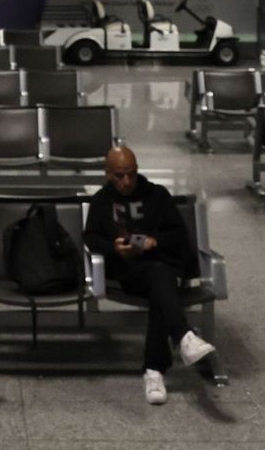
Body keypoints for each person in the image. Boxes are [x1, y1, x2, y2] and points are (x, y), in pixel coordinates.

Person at [82, 146, 216, 405]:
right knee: (161, 280)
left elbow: (178, 235)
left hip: (161, 266)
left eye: (131, 174)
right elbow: (91, 238)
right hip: (129, 272)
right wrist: (115, 249)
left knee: (160, 282)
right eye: (120, 175)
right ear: (108, 173)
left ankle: (155, 370)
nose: (127, 181)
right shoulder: (101, 201)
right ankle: (182, 339)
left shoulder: (157, 195)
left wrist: (156, 241)